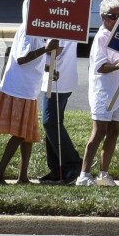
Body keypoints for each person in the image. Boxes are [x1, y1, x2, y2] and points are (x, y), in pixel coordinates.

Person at [0, 0, 49, 185]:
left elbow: (32, 60)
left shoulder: (37, 31)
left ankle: (23, 176)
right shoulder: (28, 30)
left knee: (27, 135)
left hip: (29, 89)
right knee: (20, 134)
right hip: (19, 89)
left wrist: (49, 70)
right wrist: (46, 50)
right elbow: (22, 59)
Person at [78, 0, 119, 186]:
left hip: (117, 90)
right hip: (103, 90)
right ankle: (84, 175)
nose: (116, 20)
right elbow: (101, 66)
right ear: (103, 17)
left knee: (114, 130)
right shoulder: (102, 36)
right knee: (99, 131)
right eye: (112, 16)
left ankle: (103, 174)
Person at [38, 37, 82, 183]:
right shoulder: (63, 20)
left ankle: (72, 163)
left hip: (57, 80)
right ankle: (57, 169)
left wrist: (41, 46)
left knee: (49, 122)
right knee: (53, 125)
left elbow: (55, 50)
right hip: (60, 79)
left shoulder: (58, 22)